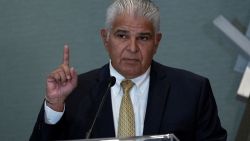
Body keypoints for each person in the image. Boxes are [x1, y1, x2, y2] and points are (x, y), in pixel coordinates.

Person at [30, 0, 227, 140]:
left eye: (143, 38)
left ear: (156, 42)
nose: (132, 48)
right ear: (105, 38)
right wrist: (55, 105)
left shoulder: (192, 91)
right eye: (122, 36)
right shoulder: (73, 93)